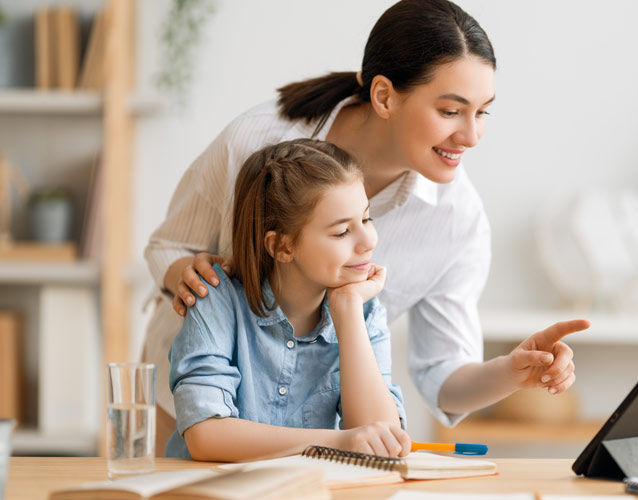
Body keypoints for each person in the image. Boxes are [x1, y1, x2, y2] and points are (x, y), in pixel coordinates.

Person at [146, 0, 589, 454]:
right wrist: (192, 278)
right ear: (384, 96)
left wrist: (511, 370)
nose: (472, 136)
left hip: (317, 442)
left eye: (483, 112)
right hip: (191, 404)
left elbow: (442, 372)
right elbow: (168, 244)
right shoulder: (258, 141)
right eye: (451, 111)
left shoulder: (457, 221)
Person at [166, 139, 408, 461]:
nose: (369, 241)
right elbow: (206, 434)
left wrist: (348, 310)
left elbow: (383, 441)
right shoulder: (217, 301)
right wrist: (339, 442)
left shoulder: (363, 312)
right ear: (282, 247)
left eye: (365, 220)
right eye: (341, 232)